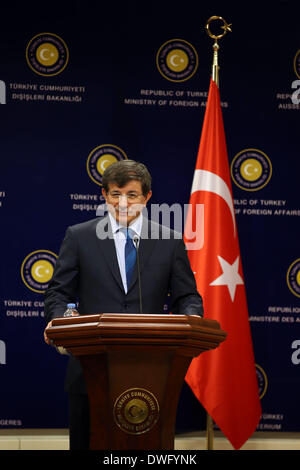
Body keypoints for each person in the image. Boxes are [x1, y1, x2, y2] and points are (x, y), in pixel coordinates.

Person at [44, 159, 203, 450]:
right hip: (89, 371)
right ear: (104, 195)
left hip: (152, 372)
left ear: (147, 197)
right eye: (115, 194)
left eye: (131, 194)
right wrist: (60, 320)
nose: (122, 202)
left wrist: (191, 318)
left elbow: (187, 296)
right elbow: (57, 292)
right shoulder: (79, 236)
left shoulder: (169, 241)